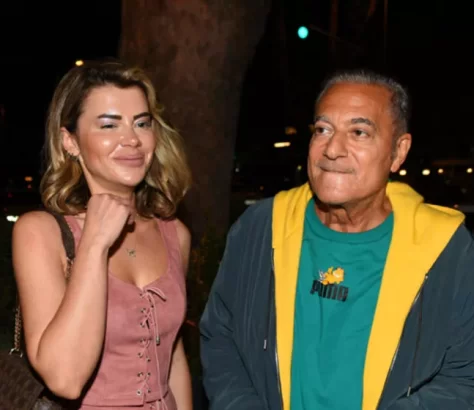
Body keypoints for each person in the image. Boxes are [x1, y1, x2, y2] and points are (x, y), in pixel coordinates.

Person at [200, 69, 474, 409]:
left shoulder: (445, 248)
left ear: (398, 151)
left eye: (359, 132)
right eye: (323, 129)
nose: (332, 149)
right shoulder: (260, 228)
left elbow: (464, 375)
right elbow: (221, 338)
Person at [12, 60, 193, 410]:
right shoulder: (40, 233)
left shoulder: (175, 233)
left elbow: (174, 357)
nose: (132, 139)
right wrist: (95, 242)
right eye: (109, 125)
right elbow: (65, 379)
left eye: (142, 123)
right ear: (70, 141)